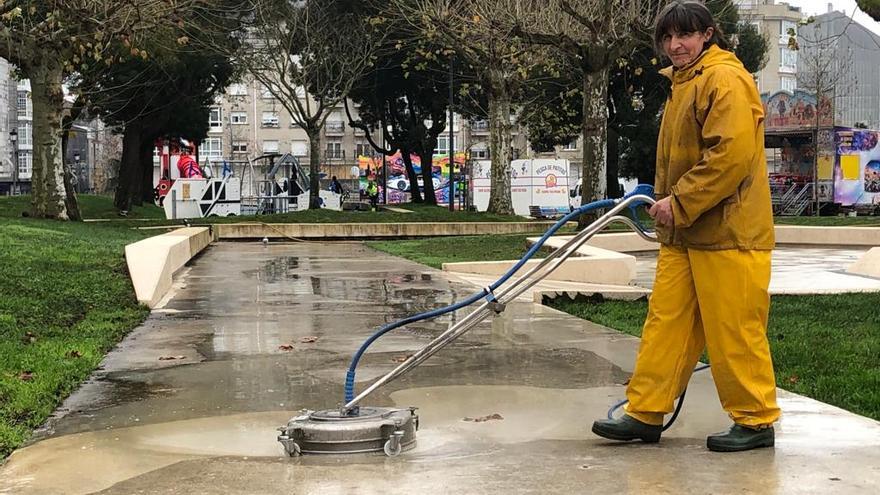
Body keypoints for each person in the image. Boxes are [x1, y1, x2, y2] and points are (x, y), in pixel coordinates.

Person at [591, 0, 779, 453]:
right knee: (666, 323)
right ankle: (645, 411)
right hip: (685, 233)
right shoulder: (684, 82)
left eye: (685, 36)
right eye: (669, 38)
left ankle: (755, 420)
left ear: (707, 35)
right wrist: (672, 206)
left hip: (729, 233)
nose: (676, 45)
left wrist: (682, 200)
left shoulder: (724, 78)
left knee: (734, 328)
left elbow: (729, 155)